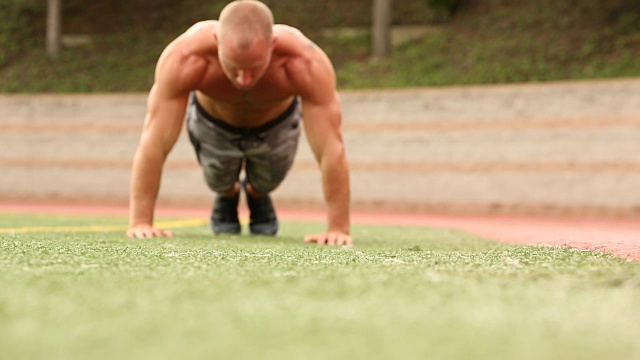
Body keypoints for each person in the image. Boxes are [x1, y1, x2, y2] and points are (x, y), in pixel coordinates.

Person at [126, 0, 351, 246]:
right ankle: (227, 193)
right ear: (217, 40)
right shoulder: (185, 58)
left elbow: (330, 147)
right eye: (233, 68)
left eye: (254, 69)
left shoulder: (305, 62)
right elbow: (155, 141)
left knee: (269, 180)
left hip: (276, 124)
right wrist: (141, 221)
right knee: (218, 179)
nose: (244, 80)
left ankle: (257, 193)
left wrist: (338, 228)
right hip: (213, 123)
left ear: (272, 44)